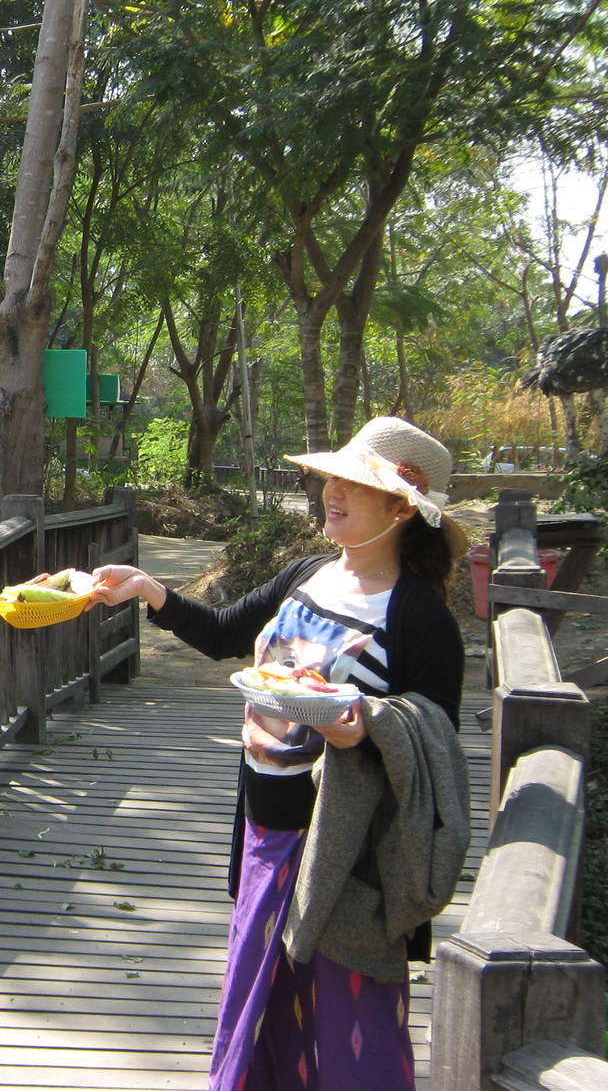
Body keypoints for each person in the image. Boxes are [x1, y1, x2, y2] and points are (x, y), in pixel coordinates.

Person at [83, 417, 471, 1091]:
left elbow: (434, 749)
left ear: (402, 508)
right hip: (268, 829)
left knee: (353, 1034)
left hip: (346, 859)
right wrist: (147, 590)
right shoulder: (307, 574)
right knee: (262, 1015)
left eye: (357, 485)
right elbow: (226, 632)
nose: (333, 494)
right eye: (333, 479)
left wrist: (363, 728)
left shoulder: (419, 618)